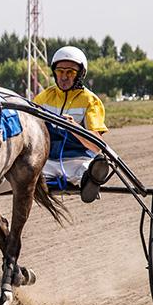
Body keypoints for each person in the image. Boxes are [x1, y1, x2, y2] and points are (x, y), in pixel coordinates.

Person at [33, 46, 110, 202]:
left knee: (83, 170)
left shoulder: (90, 101)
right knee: (25, 171)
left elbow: (97, 146)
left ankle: (91, 179)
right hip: (47, 162)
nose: (64, 77)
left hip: (79, 160)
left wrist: (75, 128)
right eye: (60, 71)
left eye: (70, 72)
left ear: (80, 75)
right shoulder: (43, 98)